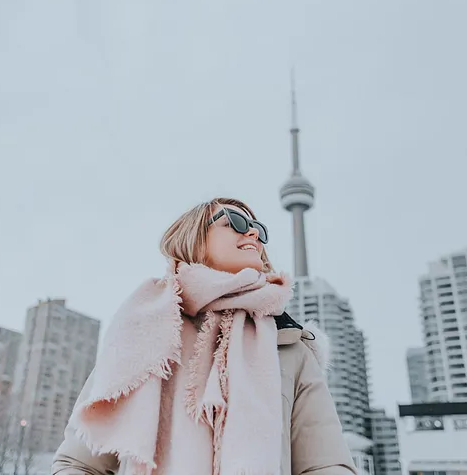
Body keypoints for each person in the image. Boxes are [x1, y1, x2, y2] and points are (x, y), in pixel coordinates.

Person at [52, 197, 356, 475]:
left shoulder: (289, 345)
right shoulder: (142, 333)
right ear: (193, 239)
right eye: (234, 223)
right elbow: (79, 463)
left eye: (259, 230)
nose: (252, 234)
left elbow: (326, 465)